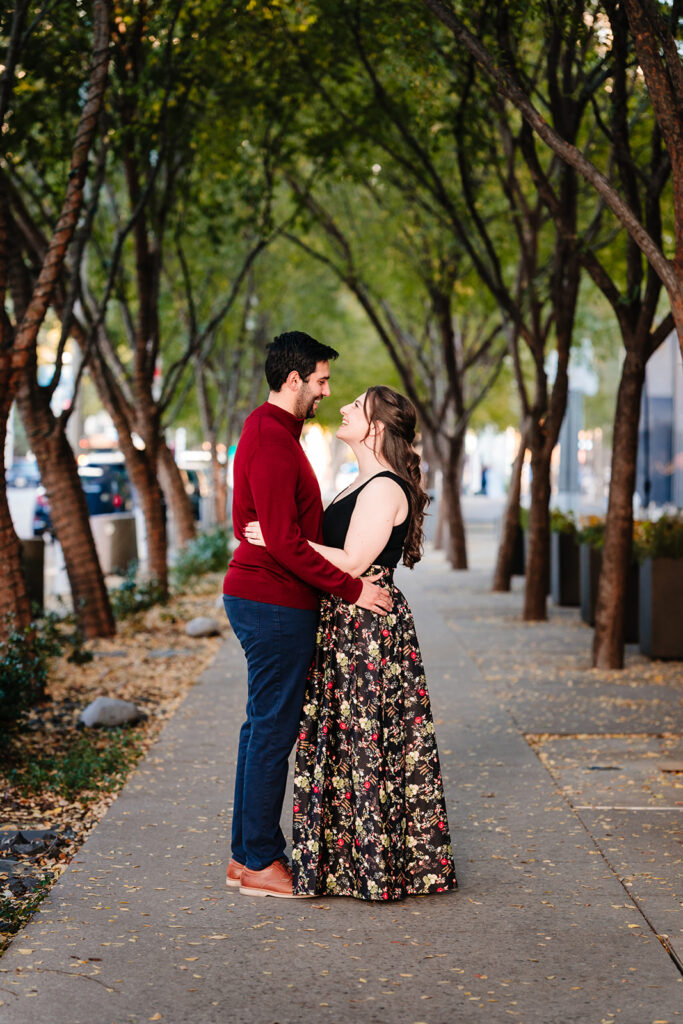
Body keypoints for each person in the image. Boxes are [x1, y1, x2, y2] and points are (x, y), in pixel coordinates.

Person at [245, 385, 456, 901]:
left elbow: (355, 563)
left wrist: (280, 541)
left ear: (377, 427)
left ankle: (375, 869)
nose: (342, 407)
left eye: (356, 407)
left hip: (367, 631)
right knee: (340, 746)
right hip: (345, 623)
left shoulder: (384, 487)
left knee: (365, 747)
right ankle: (343, 864)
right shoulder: (358, 482)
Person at [222, 332, 392, 900]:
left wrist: (275, 539)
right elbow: (287, 544)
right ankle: (261, 861)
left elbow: (274, 531)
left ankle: (246, 855)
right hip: (271, 602)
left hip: (271, 596)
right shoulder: (271, 437)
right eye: (320, 380)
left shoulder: (272, 432)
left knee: (261, 728)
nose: (325, 390)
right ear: (293, 379)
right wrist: (352, 589)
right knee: (272, 731)